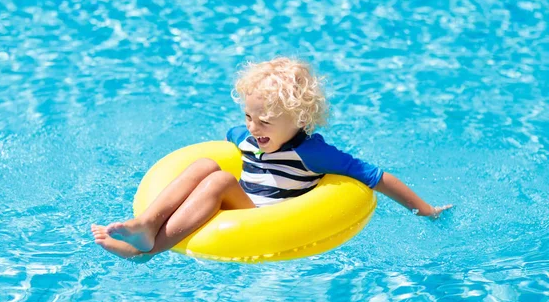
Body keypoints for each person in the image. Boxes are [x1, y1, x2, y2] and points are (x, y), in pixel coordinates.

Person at [91, 57, 453, 260]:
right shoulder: (245, 136)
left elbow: (376, 177)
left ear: (299, 118)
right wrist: (248, 131)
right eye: (249, 117)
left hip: (264, 218)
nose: (252, 127)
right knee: (205, 166)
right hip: (240, 204)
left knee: (218, 180)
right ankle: (147, 224)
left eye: (264, 121)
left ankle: (147, 251)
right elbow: (227, 141)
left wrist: (425, 210)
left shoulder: (312, 153)